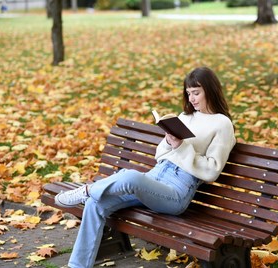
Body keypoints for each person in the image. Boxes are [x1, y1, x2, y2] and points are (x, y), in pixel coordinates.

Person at [54, 66, 236, 268]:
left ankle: (87, 190)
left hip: (176, 191)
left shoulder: (222, 124)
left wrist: (181, 147)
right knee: (95, 203)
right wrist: (169, 141)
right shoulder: (185, 117)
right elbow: (160, 154)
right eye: (188, 93)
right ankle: (77, 266)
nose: (192, 99)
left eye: (196, 93)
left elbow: (212, 170)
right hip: (156, 177)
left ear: (210, 90)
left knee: (130, 177)